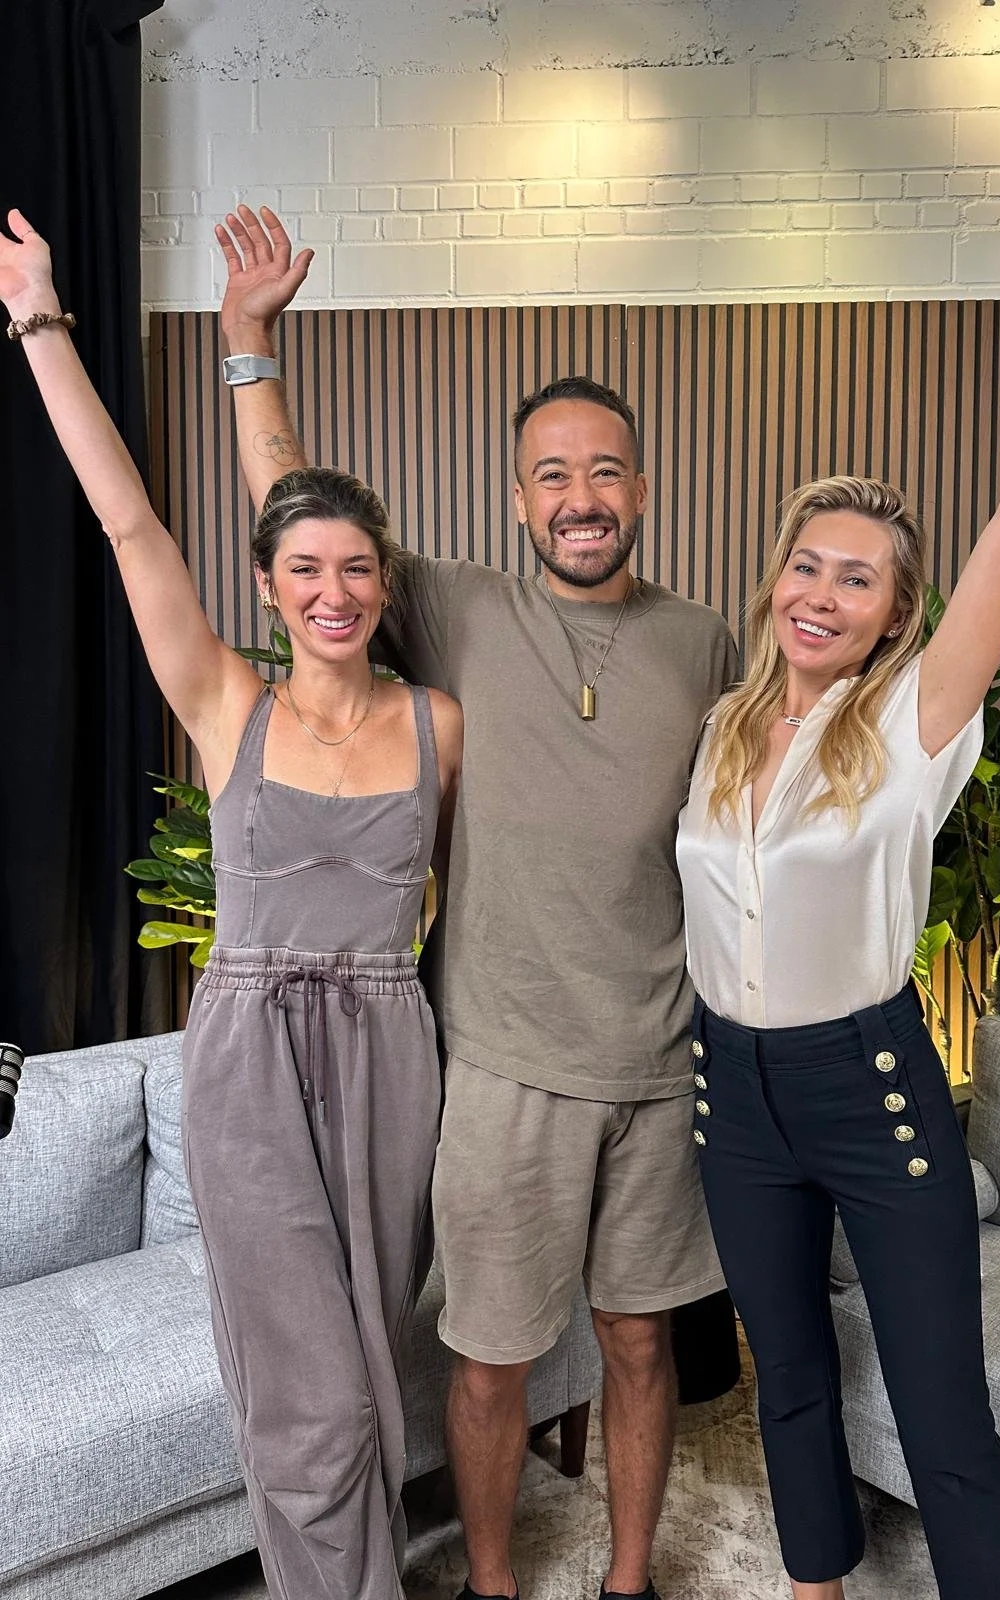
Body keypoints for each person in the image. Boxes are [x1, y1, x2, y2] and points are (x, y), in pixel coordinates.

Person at [215, 205, 738, 1600]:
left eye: (606, 472)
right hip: (500, 1070)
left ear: (641, 487)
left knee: (639, 1347)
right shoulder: (450, 611)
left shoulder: (705, 642)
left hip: (656, 1063)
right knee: (490, 1359)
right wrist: (250, 345)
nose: (581, 496)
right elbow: (300, 523)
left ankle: (630, 1579)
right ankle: (496, 1588)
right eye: (552, 475)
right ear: (519, 500)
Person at [675, 181, 1000, 1600]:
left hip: (869, 1078)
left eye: (861, 580)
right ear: (776, 577)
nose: (822, 594)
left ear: (901, 611)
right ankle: (817, 1585)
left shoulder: (915, 724)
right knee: (785, 1386)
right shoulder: (720, 727)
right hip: (732, 1094)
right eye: (807, 565)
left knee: (944, 1411)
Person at [0, 209, 464, 1600]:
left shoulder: (442, 722)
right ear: (265, 586)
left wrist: (256, 347)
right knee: (308, 1387)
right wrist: (40, 322)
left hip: (393, 1048)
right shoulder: (226, 705)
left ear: (386, 587)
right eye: (303, 569)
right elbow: (128, 517)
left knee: (375, 1360)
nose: (333, 590)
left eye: (357, 568)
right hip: (249, 1050)